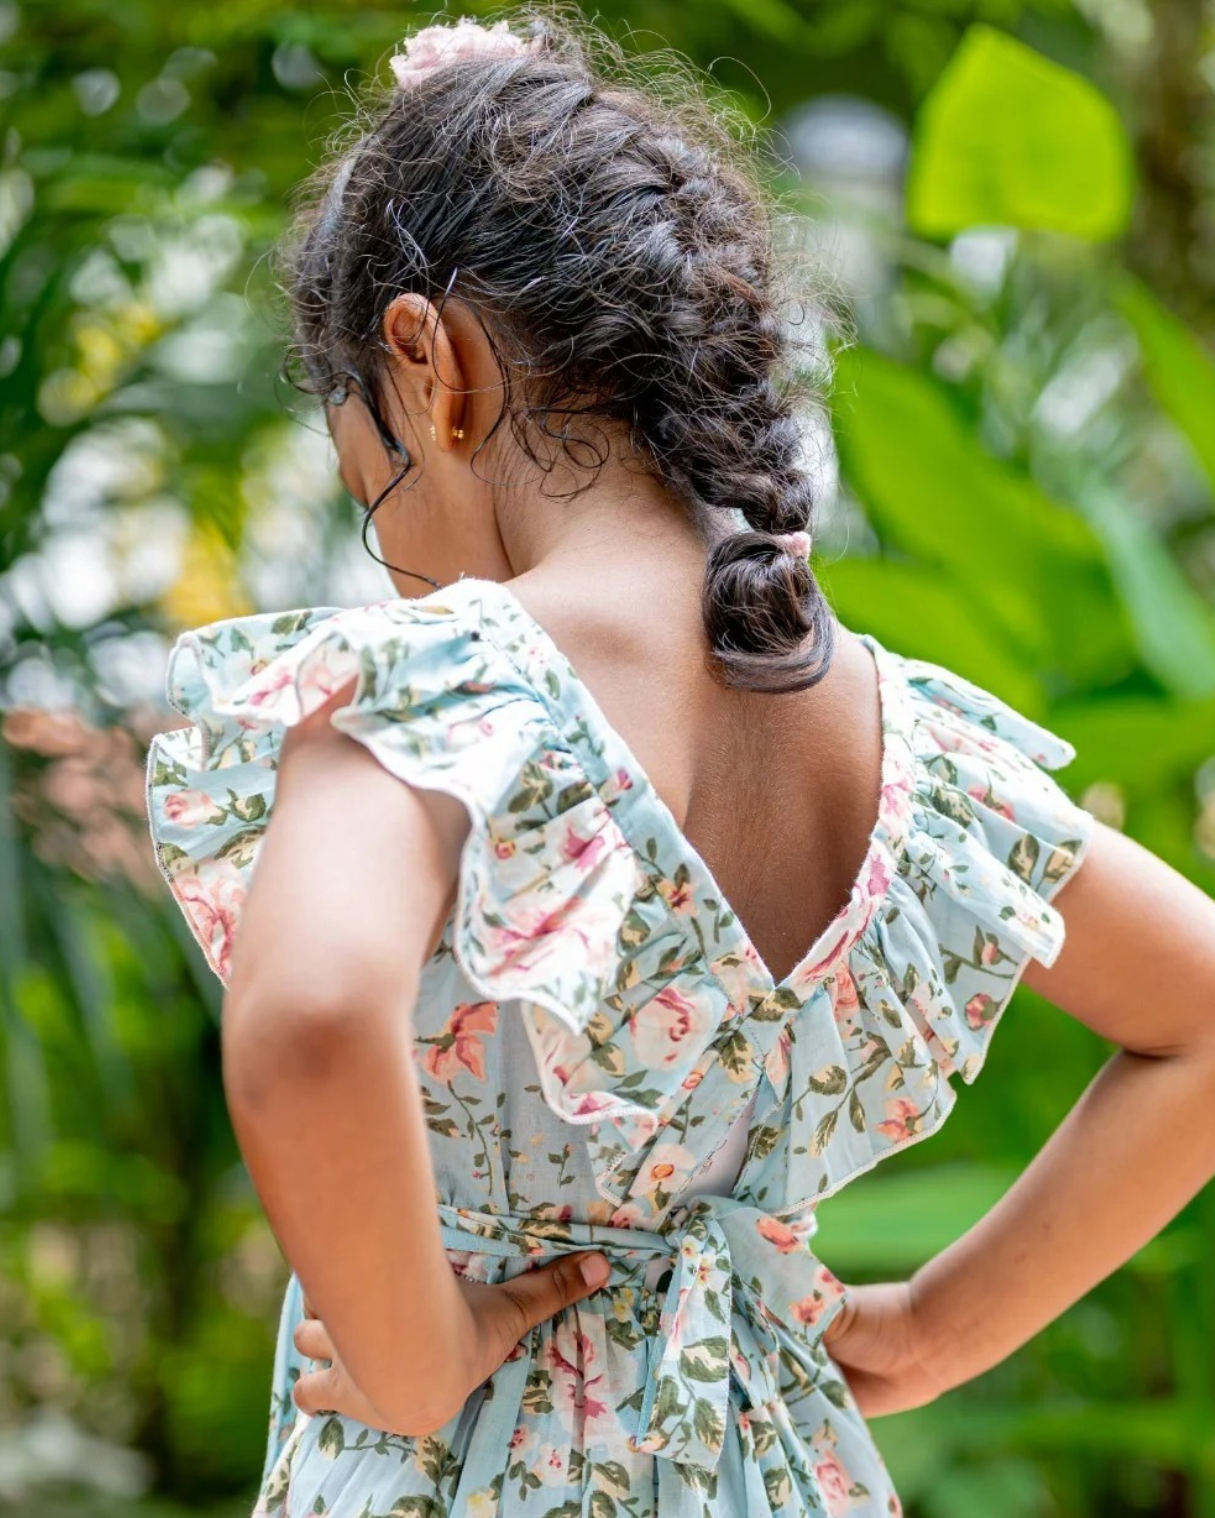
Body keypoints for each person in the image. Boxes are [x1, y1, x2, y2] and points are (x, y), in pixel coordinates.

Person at [144, 11, 1215, 1517]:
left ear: (426, 364)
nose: (389, 557)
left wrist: (412, 1355)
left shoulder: (442, 689)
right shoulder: (902, 740)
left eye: (366, 478)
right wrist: (930, 1327)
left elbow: (311, 1015)